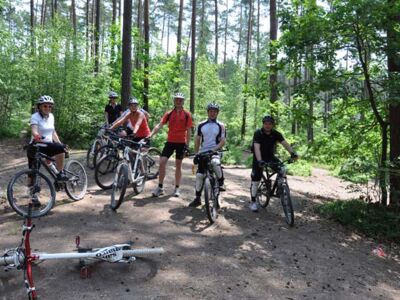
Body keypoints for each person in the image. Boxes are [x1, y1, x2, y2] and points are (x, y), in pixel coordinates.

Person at [249, 115, 298, 212]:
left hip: (270, 156)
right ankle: (253, 201)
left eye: (270, 124)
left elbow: (285, 144)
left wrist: (293, 153)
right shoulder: (258, 133)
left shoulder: (276, 134)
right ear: (263, 124)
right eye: (266, 124)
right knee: (256, 180)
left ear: (272, 125)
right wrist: (259, 160)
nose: (267, 125)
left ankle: (279, 188)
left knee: (282, 169)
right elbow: (256, 148)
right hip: (258, 157)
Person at [150, 92, 193, 197]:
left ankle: (177, 189)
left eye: (180, 100)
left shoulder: (187, 114)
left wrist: (187, 145)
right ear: (174, 101)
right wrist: (151, 134)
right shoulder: (169, 113)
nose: (178, 101)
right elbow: (160, 124)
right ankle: (160, 187)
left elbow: (189, 130)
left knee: (178, 165)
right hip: (170, 141)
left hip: (181, 142)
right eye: (177, 99)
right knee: (162, 162)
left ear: (183, 101)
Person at [188, 103, 226, 208]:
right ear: (208, 112)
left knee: (215, 163)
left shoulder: (221, 125)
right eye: (211, 111)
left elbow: (223, 141)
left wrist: (214, 149)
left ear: (217, 113)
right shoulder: (201, 125)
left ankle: (221, 184)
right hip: (203, 152)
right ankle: (197, 198)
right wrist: (196, 153)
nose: (212, 113)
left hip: (215, 152)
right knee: (200, 175)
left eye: (215, 111)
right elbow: (197, 139)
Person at [28, 95, 68, 181]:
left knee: (61, 148)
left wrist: (60, 143)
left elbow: (53, 132)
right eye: (45, 106)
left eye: (50, 106)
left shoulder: (51, 116)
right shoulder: (35, 116)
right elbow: (34, 129)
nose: (48, 108)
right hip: (36, 145)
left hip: (48, 145)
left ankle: (60, 173)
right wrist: (37, 136)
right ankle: (30, 189)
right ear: (40, 107)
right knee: (32, 171)